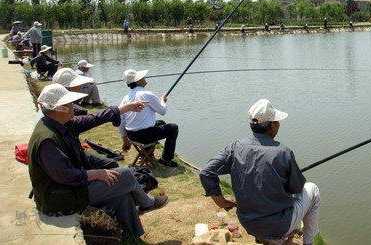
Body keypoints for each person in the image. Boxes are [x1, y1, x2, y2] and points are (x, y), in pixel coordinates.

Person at [28, 84, 167, 238]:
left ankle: (132, 237)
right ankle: (147, 203)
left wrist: (125, 108)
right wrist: (95, 174)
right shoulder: (47, 140)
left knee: (122, 196)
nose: (74, 107)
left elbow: (95, 119)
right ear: (60, 109)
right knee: (126, 174)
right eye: (69, 104)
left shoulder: (61, 124)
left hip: (69, 190)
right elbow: (65, 176)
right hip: (59, 198)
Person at [199, 99, 320, 244]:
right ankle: (308, 242)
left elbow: (206, 172)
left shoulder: (235, 147)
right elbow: (296, 188)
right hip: (278, 225)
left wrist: (221, 201)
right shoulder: (283, 152)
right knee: (312, 189)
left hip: (248, 223)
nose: (279, 124)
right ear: (272, 125)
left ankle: (272, 238)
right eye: (277, 121)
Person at [119, 69, 179, 167]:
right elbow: (162, 111)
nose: (144, 78)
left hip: (131, 135)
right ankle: (166, 159)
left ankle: (147, 154)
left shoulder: (126, 98)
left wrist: (125, 139)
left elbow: (121, 121)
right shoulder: (147, 94)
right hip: (144, 136)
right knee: (173, 128)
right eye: (142, 77)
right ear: (138, 81)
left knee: (160, 123)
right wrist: (163, 101)